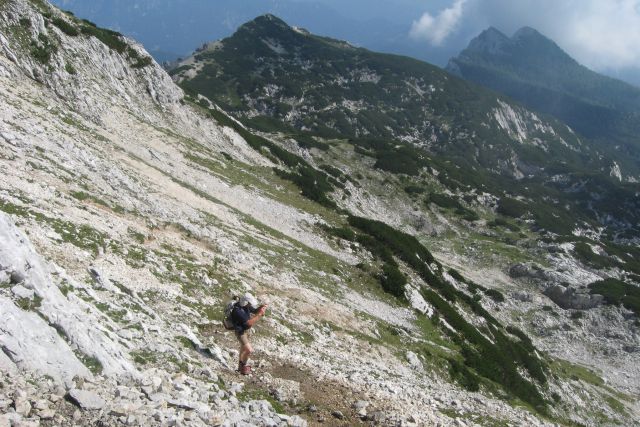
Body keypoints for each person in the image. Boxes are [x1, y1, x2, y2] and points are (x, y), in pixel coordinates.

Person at [231, 293, 268, 375]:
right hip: (240, 332)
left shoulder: (245, 306)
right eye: (249, 303)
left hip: (245, 331)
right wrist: (260, 314)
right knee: (249, 350)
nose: (250, 305)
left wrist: (261, 307)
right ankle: (243, 366)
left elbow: (254, 311)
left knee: (243, 348)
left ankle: (240, 368)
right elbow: (249, 323)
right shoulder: (237, 310)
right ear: (246, 302)